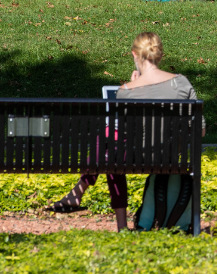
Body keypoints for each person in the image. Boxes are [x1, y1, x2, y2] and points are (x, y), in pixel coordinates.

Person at [45, 32, 205, 231]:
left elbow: (121, 134)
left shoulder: (126, 92)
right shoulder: (182, 83)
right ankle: (78, 193)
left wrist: (131, 85)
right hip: (172, 160)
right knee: (109, 144)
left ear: (134, 55)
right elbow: (201, 131)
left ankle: (117, 222)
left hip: (135, 160)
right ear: (161, 55)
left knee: (108, 143)